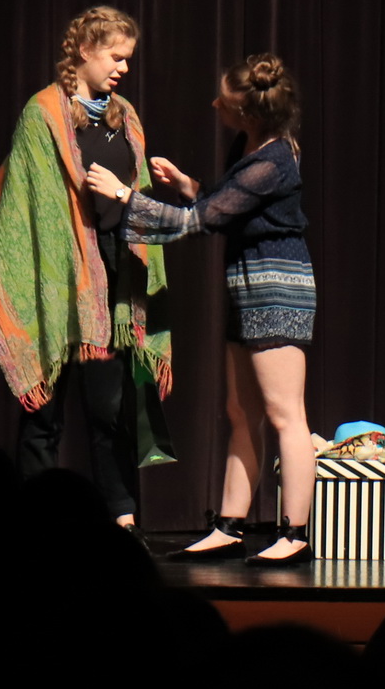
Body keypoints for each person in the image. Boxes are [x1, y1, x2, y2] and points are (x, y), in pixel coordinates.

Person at [85, 53, 315, 565]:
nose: (215, 105)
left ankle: (295, 534)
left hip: (278, 287)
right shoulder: (250, 145)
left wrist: (124, 195)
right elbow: (230, 206)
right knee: (241, 412)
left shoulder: (274, 160)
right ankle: (229, 527)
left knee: (285, 414)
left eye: (224, 101)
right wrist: (190, 187)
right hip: (246, 285)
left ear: (249, 112)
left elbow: (199, 222)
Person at [0, 5, 172, 537]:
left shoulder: (125, 115)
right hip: (54, 278)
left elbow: (136, 195)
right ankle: (34, 525)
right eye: (115, 57)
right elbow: (24, 207)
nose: (123, 68)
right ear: (85, 50)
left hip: (113, 281)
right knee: (43, 413)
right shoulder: (43, 114)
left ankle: (122, 519)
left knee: (110, 410)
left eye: (128, 59)